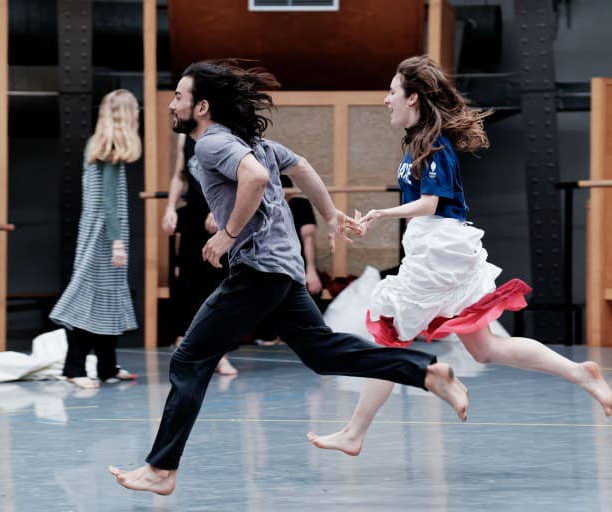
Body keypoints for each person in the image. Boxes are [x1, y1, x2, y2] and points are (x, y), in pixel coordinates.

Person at [109, 60, 469, 495]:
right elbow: (301, 166)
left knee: (189, 359)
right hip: (282, 270)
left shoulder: (211, 144)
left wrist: (227, 235)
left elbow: (257, 179)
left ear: (201, 107)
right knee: (324, 353)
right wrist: (330, 211)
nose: (172, 104)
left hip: (258, 270)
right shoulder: (252, 141)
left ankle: (162, 469)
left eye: (180, 97)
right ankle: (427, 372)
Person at [306, 55, 612, 457]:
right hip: (438, 248)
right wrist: (374, 220)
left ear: (413, 97)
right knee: (485, 349)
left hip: (439, 252)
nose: (386, 100)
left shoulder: (433, 145)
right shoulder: (418, 143)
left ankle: (363, 426)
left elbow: (433, 203)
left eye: (392, 92)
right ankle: (579, 372)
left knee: (388, 338)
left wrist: (385, 212)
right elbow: (424, 202)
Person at [49, 89, 141, 389]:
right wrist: (116, 242)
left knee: (108, 300)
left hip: (98, 231)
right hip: (104, 235)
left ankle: (106, 366)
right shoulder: (111, 147)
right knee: (91, 300)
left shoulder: (98, 144)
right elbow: (109, 202)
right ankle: (74, 368)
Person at [162, 133, 237, 374]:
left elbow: (234, 179)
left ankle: (218, 353)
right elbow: (179, 175)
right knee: (187, 282)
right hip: (194, 215)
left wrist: (217, 209)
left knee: (215, 285)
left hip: (219, 216)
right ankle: (185, 343)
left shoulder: (223, 134)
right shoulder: (185, 138)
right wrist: (170, 208)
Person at [255, 174, 322, 346]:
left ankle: (296, 335)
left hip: (296, 261)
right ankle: (275, 334)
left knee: (302, 294)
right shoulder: (264, 205)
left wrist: (311, 270)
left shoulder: (300, 205)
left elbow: (308, 238)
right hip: (270, 260)